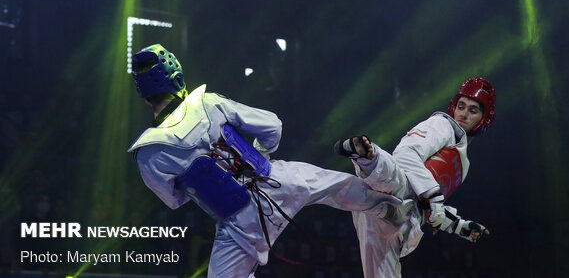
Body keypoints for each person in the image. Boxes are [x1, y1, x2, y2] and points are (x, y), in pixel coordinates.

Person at [127, 44, 409, 278]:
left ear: (143, 92)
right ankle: (390, 210)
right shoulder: (209, 103)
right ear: (175, 73)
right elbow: (272, 126)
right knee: (335, 185)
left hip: (239, 226)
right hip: (276, 182)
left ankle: (389, 210)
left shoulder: (150, 152)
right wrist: (260, 154)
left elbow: (174, 200)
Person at [334, 77, 496, 278]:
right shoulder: (443, 125)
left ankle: (366, 158)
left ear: (483, 118)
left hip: (399, 223)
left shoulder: (463, 165)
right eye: (461, 106)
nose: (463, 114)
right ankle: (368, 157)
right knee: (392, 180)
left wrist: (458, 226)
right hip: (395, 195)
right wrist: (434, 197)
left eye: (473, 110)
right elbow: (406, 154)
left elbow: (431, 209)